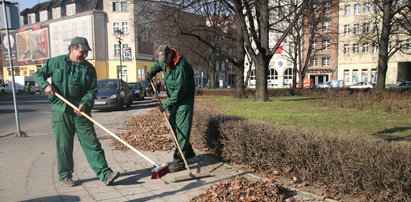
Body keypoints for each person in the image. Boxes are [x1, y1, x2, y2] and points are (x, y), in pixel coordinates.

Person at [34, 37, 119, 187]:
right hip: (61, 111)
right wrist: (45, 86)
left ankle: (105, 174)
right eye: (82, 52)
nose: (85, 55)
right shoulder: (56, 62)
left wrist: (84, 103)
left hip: (81, 111)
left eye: (86, 52)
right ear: (72, 49)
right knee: (64, 145)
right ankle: (65, 175)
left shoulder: (89, 69)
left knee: (92, 143)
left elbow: (92, 90)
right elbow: (38, 75)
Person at [146, 45, 196, 172]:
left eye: (165, 60)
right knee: (174, 127)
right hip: (174, 101)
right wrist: (151, 72)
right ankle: (188, 152)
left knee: (182, 132)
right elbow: (158, 66)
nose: (164, 63)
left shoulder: (181, 66)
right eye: (161, 60)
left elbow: (180, 92)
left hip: (184, 101)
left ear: (170, 55)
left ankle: (179, 162)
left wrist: (166, 105)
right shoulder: (164, 61)